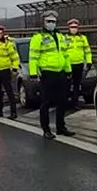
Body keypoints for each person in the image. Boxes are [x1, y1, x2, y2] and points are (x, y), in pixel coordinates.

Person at [29, 10, 75, 139]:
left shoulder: (60, 37)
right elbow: (33, 57)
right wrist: (33, 73)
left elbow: (65, 55)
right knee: (46, 102)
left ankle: (61, 127)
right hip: (47, 73)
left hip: (60, 73)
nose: (51, 24)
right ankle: (46, 129)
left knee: (62, 101)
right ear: (43, 22)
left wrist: (68, 70)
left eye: (53, 22)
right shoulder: (38, 37)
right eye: (48, 21)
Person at [64, 18, 93, 108]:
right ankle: (64, 102)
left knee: (77, 85)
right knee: (66, 85)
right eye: (72, 27)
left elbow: (87, 51)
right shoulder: (65, 38)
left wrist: (89, 62)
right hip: (68, 65)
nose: (74, 29)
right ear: (68, 28)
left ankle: (74, 102)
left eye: (75, 27)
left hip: (79, 64)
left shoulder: (82, 38)